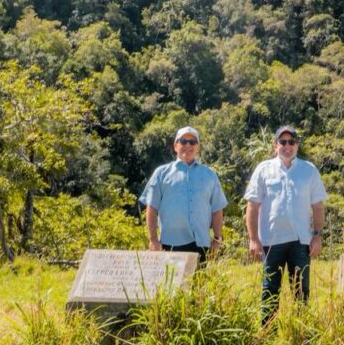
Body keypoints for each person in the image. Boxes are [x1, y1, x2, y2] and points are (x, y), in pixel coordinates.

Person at [245, 125, 327, 324]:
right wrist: (253, 239)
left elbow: (317, 206)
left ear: (297, 145)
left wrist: (317, 235)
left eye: (292, 142)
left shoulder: (309, 170)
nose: (287, 146)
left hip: (301, 241)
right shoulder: (263, 170)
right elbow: (252, 206)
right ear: (275, 145)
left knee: (301, 291)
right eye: (283, 142)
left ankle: (300, 334)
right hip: (271, 241)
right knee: (270, 291)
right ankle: (267, 335)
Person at [139, 126, 227, 262]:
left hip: (201, 245)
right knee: (169, 283)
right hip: (169, 244)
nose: (188, 145)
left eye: (192, 142)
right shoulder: (161, 173)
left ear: (198, 147)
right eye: (183, 141)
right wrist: (153, 240)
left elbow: (217, 209)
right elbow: (151, 208)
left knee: (200, 283)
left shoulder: (210, 175)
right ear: (175, 146)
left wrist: (217, 239)